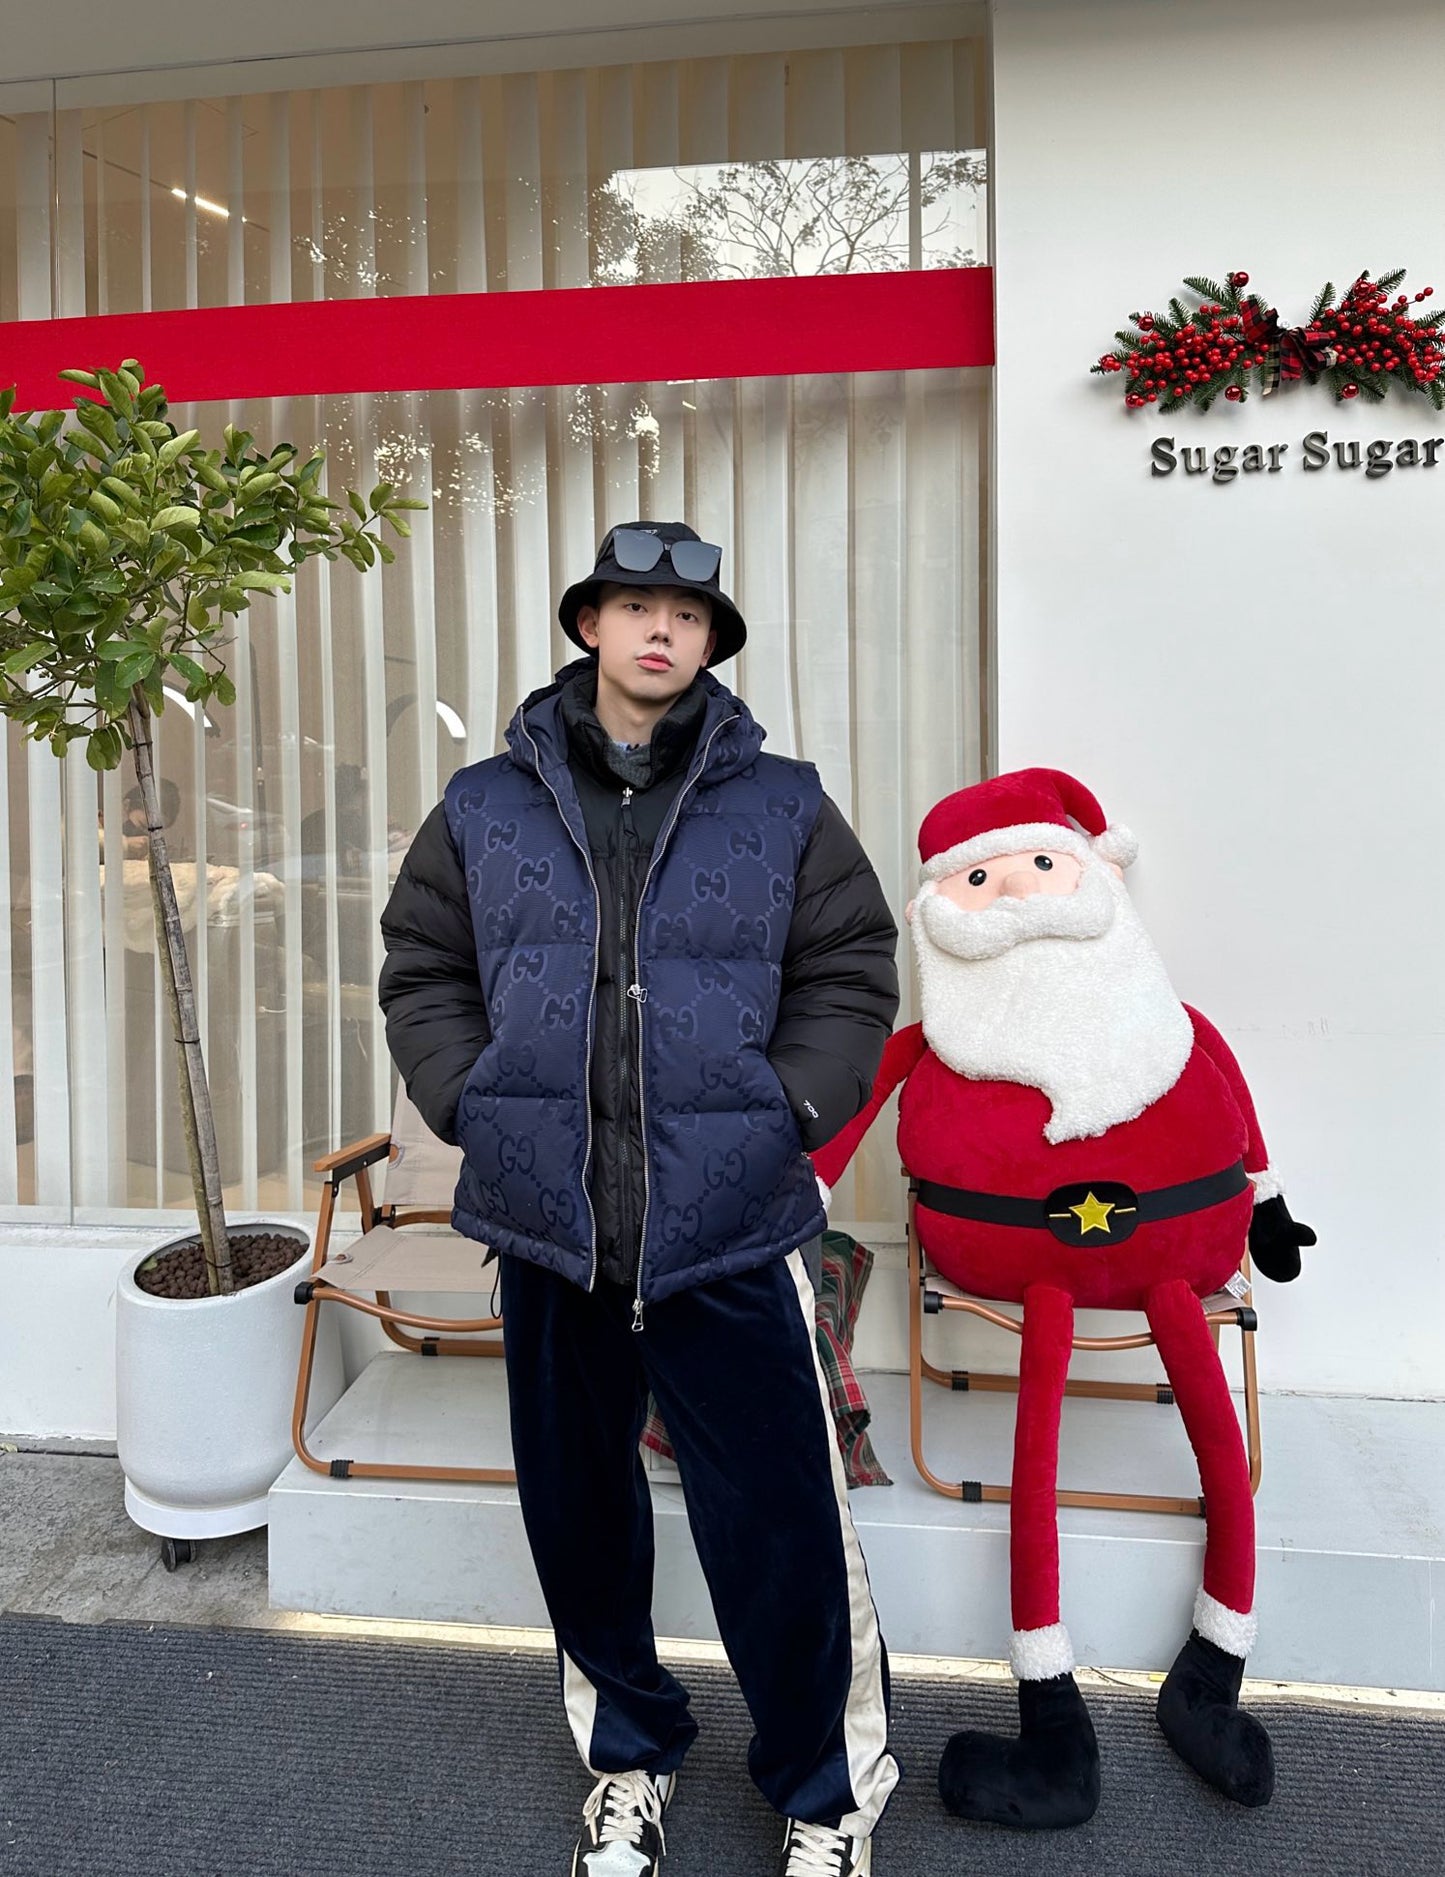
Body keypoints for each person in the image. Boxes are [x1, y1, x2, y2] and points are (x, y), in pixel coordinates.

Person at [379, 522, 901, 1876]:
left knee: (779, 1520)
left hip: (727, 1226)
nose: (658, 629)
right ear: (591, 627)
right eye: (631, 604)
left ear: (711, 641)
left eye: (685, 611)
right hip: (549, 1226)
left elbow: (850, 967)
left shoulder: (782, 802)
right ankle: (627, 1757)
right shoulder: (485, 804)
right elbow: (421, 962)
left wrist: (781, 1110)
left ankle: (825, 1791)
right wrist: (470, 1097)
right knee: (578, 1513)